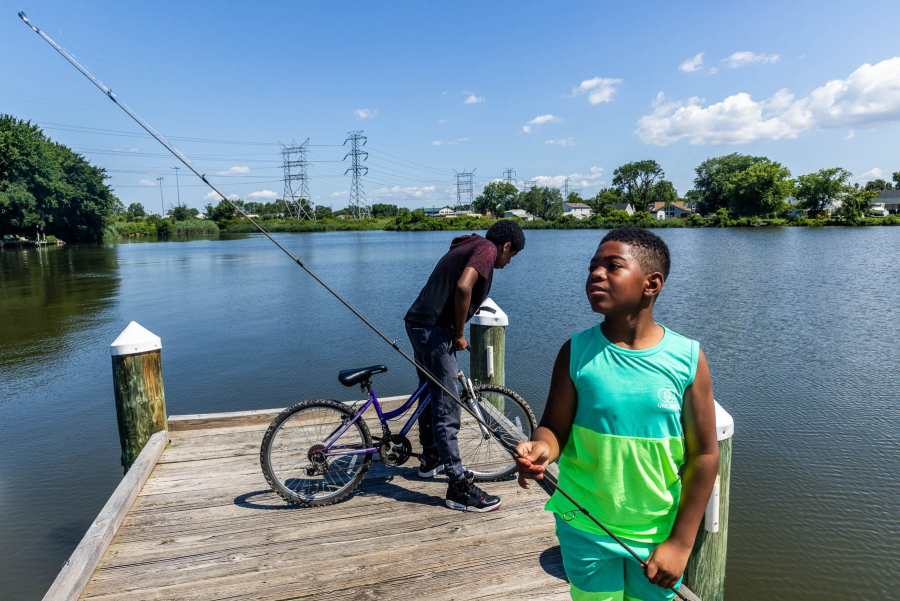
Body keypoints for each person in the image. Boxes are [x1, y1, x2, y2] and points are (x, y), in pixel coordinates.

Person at [515, 227, 719, 600]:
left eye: (612, 266)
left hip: (656, 530)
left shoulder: (688, 359)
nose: (595, 274)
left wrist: (681, 543)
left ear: (651, 284)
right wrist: (541, 449)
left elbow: (705, 455)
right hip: (583, 524)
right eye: (593, 266)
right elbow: (555, 428)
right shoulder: (575, 352)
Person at [405, 220, 525, 512]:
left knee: (430, 393)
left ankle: (431, 457)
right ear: (506, 246)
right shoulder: (485, 248)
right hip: (435, 330)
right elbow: (463, 286)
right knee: (447, 406)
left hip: (418, 323)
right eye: (512, 255)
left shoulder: (470, 243)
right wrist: (459, 333)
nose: (508, 262)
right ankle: (458, 487)